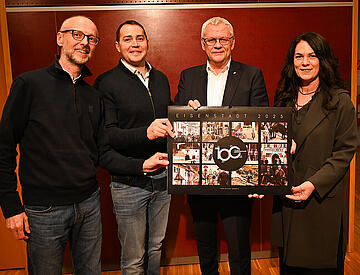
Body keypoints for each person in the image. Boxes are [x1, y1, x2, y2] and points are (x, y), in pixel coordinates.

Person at [0, 16, 168, 275]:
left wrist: (142, 165)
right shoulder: (29, 84)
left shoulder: (92, 94)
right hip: (44, 210)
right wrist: (11, 206)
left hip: (89, 204)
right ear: (60, 38)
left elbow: (101, 152)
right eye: (77, 35)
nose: (84, 42)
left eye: (91, 38)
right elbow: (4, 147)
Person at [174, 17, 269, 275]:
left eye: (223, 39)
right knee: (205, 245)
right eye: (211, 40)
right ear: (203, 44)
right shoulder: (188, 76)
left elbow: (263, 128)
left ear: (233, 42)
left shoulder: (252, 75)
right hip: (200, 180)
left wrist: (258, 177)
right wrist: (186, 113)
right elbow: (178, 129)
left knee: (238, 248)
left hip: (237, 178)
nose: (217, 44)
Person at [271, 32, 358, 274]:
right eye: (299, 56)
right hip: (287, 202)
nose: (305, 62)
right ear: (292, 62)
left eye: (312, 55)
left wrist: (313, 184)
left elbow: (344, 152)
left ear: (323, 60)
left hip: (320, 204)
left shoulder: (340, 101)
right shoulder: (283, 99)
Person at [94, 20, 173, 275]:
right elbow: (108, 135)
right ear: (117, 46)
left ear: (147, 42)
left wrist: (188, 110)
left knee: (155, 248)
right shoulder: (106, 83)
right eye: (127, 39)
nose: (135, 44)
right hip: (128, 183)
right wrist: (146, 133)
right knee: (133, 258)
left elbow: (169, 121)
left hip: (163, 179)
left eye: (140, 38)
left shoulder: (160, 79)